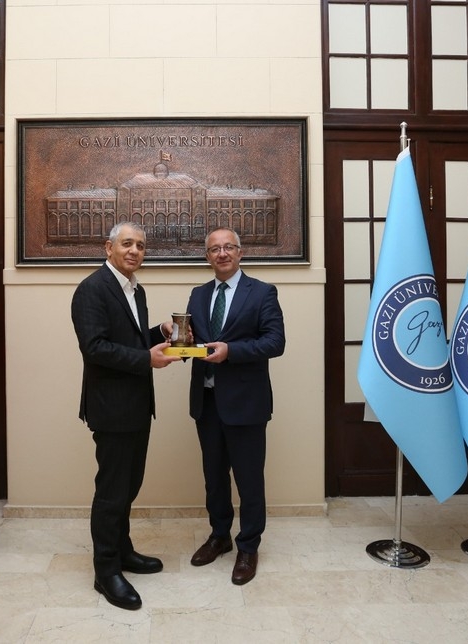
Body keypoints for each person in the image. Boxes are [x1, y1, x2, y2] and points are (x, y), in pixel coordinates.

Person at [71, 222, 181, 610]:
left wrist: (157, 333)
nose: (135, 251)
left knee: (129, 486)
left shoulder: (136, 289)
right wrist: (146, 358)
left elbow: (128, 340)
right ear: (109, 247)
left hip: (136, 405)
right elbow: (95, 347)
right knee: (112, 491)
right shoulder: (92, 289)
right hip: (111, 408)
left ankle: (122, 551)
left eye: (141, 246)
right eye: (127, 243)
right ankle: (105, 572)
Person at [185, 227, 285, 585]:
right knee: (214, 478)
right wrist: (179, 344)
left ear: (240, 253)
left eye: (229, 247)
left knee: (249, 479)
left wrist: (232, 352)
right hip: (207, 402)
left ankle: (248, 546)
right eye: (215, 249)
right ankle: (220, 536)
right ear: (207, 257)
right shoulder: (198, 295)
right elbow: (194, 341)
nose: (222, 254)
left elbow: (275, 342)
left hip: (246, 403)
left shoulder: (262, 292)